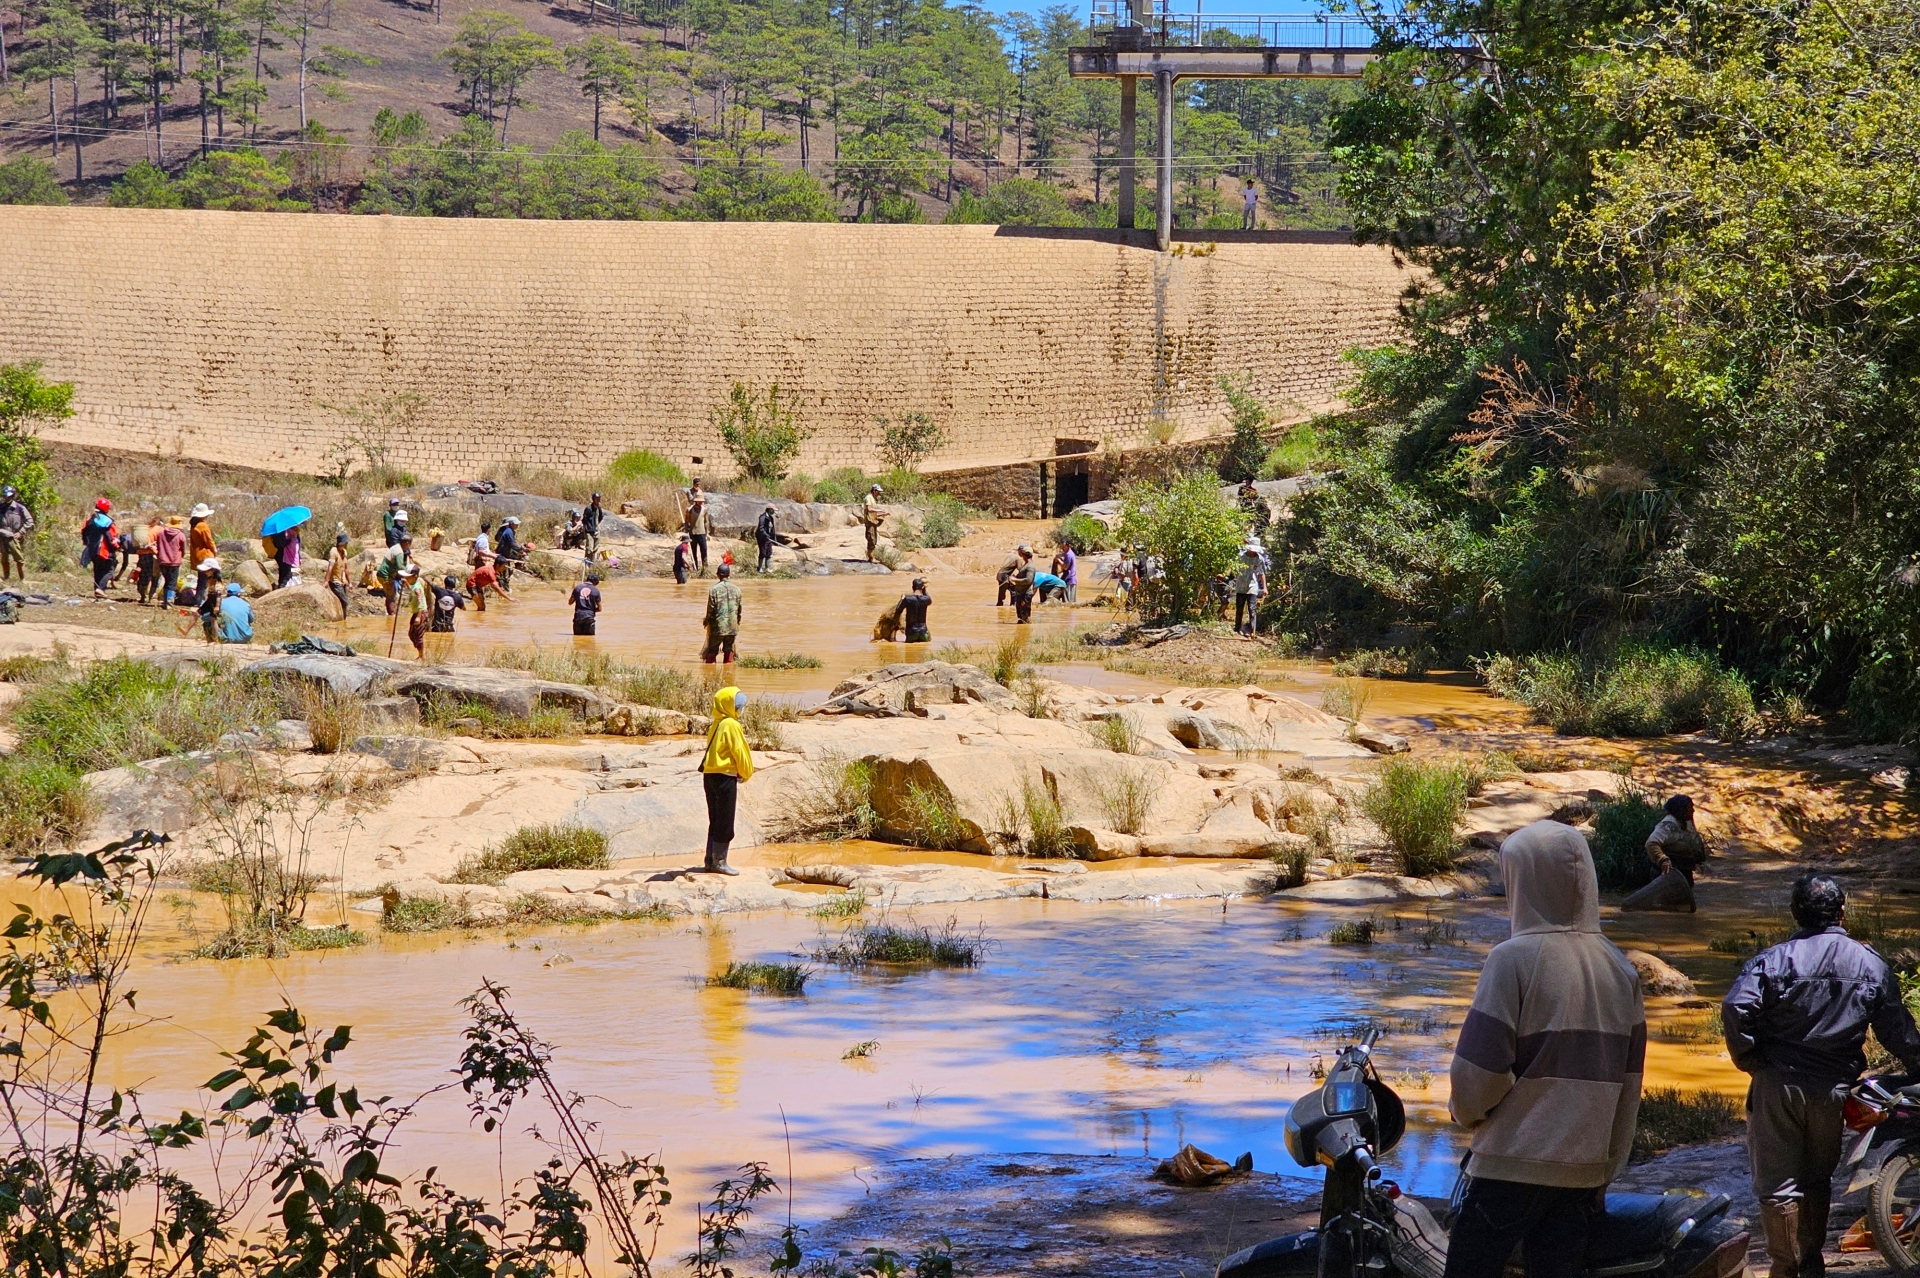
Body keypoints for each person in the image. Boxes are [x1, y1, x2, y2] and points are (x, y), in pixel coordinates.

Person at [1444, 819, 1645, 1278]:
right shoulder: (1619, 967)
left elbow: (1479, 1074)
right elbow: (1629, 1085)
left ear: (1521, 880)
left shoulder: (1511, 959)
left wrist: (1464, 1111)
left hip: (1511, 1166)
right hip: (1584, 1169)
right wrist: (1606, 1163)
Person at [1723, 873, 1920, 1278]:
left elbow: (1735, 1009)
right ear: (1843, 912)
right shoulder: (1870, 963)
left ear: (1795, 913)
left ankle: (1783, 1268)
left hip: (1777, 1083)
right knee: (1817, 1178)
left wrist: (1750, 1058)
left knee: (1777, 1186)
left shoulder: (1772, 960)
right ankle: (1811, 1264)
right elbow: (1897, 1030)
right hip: (1834, 1089)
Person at [699, 685, 753, 875]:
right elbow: (739, 751)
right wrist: (746, 772)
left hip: (709, 775)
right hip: (725, 777)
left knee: (714, 819)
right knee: (725, 821)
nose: (740, 710)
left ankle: (709, 860)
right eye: (739, 707)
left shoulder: (717, 722)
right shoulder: (731, 724)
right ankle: (720, 862)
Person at [702, 562, 741, 663]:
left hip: (718, 627)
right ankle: (728, 672)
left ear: (718, 575)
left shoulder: (714, 590)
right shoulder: (737, 590)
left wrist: (706, 621)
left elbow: (710, 609)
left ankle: (710, 672)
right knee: (729, 650)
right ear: (729, 575)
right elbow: (739, 610)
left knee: (712, 650)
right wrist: (737, 623)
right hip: (733, 627)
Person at [81, 498, 117, 597]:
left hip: (91, 550)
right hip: (103, 550)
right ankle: (100, 589)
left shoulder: (90, 519)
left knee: (97, 570)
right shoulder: (108, 521)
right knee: (109, 570)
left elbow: (84, 533)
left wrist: (87, 544)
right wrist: (116, 547)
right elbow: (111, 537)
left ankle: (97, 591)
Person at [0, 484, 34, 582]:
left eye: (9, 496)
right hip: (2, 535)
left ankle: (22, 578)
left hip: (13, 536)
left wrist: (21, 532)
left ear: (12, 496)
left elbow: (29, 521)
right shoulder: (1, 507)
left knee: (19, 558)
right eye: (5, 496)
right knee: (4, 557)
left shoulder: (19, 507)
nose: (7, 498)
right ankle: (6, 577)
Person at [1231, 544, 1264, 636]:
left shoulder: (1260, 559)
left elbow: (1261, 573)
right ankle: (1237, 628)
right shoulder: (1241, 557)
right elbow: (1234, 569)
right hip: (1240, 586)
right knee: (1239, 609)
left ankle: (1252, 630)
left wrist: (1265, 587)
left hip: (1252, 587)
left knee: (1252, 609)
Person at [376, 533, 413, 615]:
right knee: (392, 596)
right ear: (407, 543)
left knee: (390, 594)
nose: (409, 546)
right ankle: (392, 614)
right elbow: (400, 566)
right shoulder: (399, 552)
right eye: (410, 544)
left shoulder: (396, 546)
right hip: (385, 576)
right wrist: (410, 570)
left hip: (384, 575)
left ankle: (389, 612)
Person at [153, 515, 186, 606]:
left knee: (166, 580)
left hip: (162, 561)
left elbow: (158, 546)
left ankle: (165, 600)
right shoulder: (181, 535)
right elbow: (183, 549)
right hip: (174, 562)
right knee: (172, 581)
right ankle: (169, 601)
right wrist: (181, 557)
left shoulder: (161, 533)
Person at [188, 503, 217, 601]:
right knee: (207, 580)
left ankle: (198, 599)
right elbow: (208, 540)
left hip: (197, 555)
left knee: (201, 579)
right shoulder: (203, 525)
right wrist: (214, 550)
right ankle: (201, 600)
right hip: (205, 555)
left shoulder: (193, 524)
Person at [401, 564, 430, 659]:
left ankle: (421, 656)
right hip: (417, 612)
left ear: (415, 576)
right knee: (411, 634)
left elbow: (421, 602)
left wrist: (419, 616)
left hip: (420, 613)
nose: (406, 578)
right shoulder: (414, 584)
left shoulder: (418, 588)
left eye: (408, 577)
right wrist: (406, 584)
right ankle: (420, 654)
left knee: (418, 635)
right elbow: (412, 591)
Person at [324, 530, 352, 617]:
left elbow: (345, 568)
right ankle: (341, 619)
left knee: (343, 603)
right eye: (345, 543)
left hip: (342, 581)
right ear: (341, 543)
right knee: (345, 601)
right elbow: (330, 567)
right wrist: (326, 581)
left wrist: (349, 582)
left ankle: (344, 619)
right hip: (335, 581)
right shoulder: (334, 551)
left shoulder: (344, 552)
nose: (347, 544)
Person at [569, 571, 604, 637]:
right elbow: (600, 609)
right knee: (590, 640)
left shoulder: (577, 588)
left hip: (578, 616)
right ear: (595, 582)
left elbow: (570, 602)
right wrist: (591, 610)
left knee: (577, 639)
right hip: (589, 617)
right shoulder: (596, 590)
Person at [196, 561, 224, 640]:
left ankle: (215, 639)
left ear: (212, 570)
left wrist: (217, 606)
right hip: (210, 601)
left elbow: (218, 595)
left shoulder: (217, 583)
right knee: (212, 620)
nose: (205, 572)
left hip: (214, 602)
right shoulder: (211, 581)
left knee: (213, 620)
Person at [494, 516, 525, 590]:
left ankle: (503, 586)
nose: (517, 525)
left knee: (506, 570)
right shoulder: (508, 532)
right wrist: (521, 551)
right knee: (504, 571)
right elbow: (512, 543)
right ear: (511, 524)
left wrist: (521, 549)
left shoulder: (510, 531)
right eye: (516, 524)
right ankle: (504, 588)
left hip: (506, 553)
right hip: (502, 554)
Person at [898, 578, 932, 643]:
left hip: (912, 633)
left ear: (912, 587)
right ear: (922, 587)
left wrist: (902, 599)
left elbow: (898, 610)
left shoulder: (907, 599)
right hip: (923, 633)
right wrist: (924, 589)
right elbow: (929, 599)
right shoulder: (926, 599)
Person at [685, 489, 712, 571]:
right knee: (694, 552)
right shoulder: (689, 510)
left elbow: (706, 522)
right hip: (693, 533)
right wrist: (686, 532)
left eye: (701, 501)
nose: (700, 503)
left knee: (704, 551)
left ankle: (705, 569)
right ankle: (695, 567)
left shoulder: (704, 509)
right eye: (699, 501)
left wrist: (707, 533)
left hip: (702, 533)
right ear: (695, 501)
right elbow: (687, 522)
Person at [1007, 553, 1037, 624]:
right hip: (1020, 593)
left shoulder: (1030, 566)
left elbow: (1028, 580)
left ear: (1024, 555)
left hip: (1025, 594)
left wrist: (1015, 580)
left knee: (1025, 616)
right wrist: (1016, 577)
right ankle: (1021, 633)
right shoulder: (1026, 565)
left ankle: (1026, 632)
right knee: (1020, 616)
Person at [271, 524, 301, 590]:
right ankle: (282, 587)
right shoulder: (281, 531)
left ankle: (281, 586)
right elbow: (282, 544)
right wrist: (290, 539)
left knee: (283, 572)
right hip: (282, 554)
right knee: (286, 573)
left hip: (280, 554)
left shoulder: (276, 530)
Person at [862, 484, 884, 561]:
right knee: (871, 539)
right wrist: (879, 510)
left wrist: (883, 514)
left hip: (873, 521)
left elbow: (874, 513)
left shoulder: (873, 499)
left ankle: (871, 557)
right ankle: (871, 557)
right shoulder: (869, 498)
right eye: (878, 492)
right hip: (869, 521)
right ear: (874, 491)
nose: (879, 494)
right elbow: (869, 509)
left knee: (874, 540)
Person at [755, 504, 778, 574]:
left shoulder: (771, 518)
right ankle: (760, 568)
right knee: (763, 553)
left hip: (769, 538)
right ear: (769, 510)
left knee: (769, 552)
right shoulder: (762, 517)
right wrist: (765, 535)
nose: (774, 512)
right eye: (773, 510)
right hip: (762, 538)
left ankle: (767, 568)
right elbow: (760, 528)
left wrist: (774, 540)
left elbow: (772, 530)